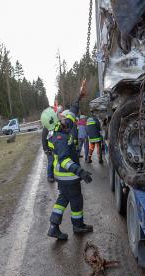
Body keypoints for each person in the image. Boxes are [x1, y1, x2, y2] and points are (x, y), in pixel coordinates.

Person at [40, 81, 93, 240]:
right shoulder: (60, 137)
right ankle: (77, 226)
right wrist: (80, 171)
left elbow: (72, 112)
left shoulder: (62, 127)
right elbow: (63, 160)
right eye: (58, 115)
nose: (62, 115)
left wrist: (79, 96)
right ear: (55, 121)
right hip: (68, 176)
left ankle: (53, 226)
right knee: (76, 200)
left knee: (62, 199)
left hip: (62, 177)